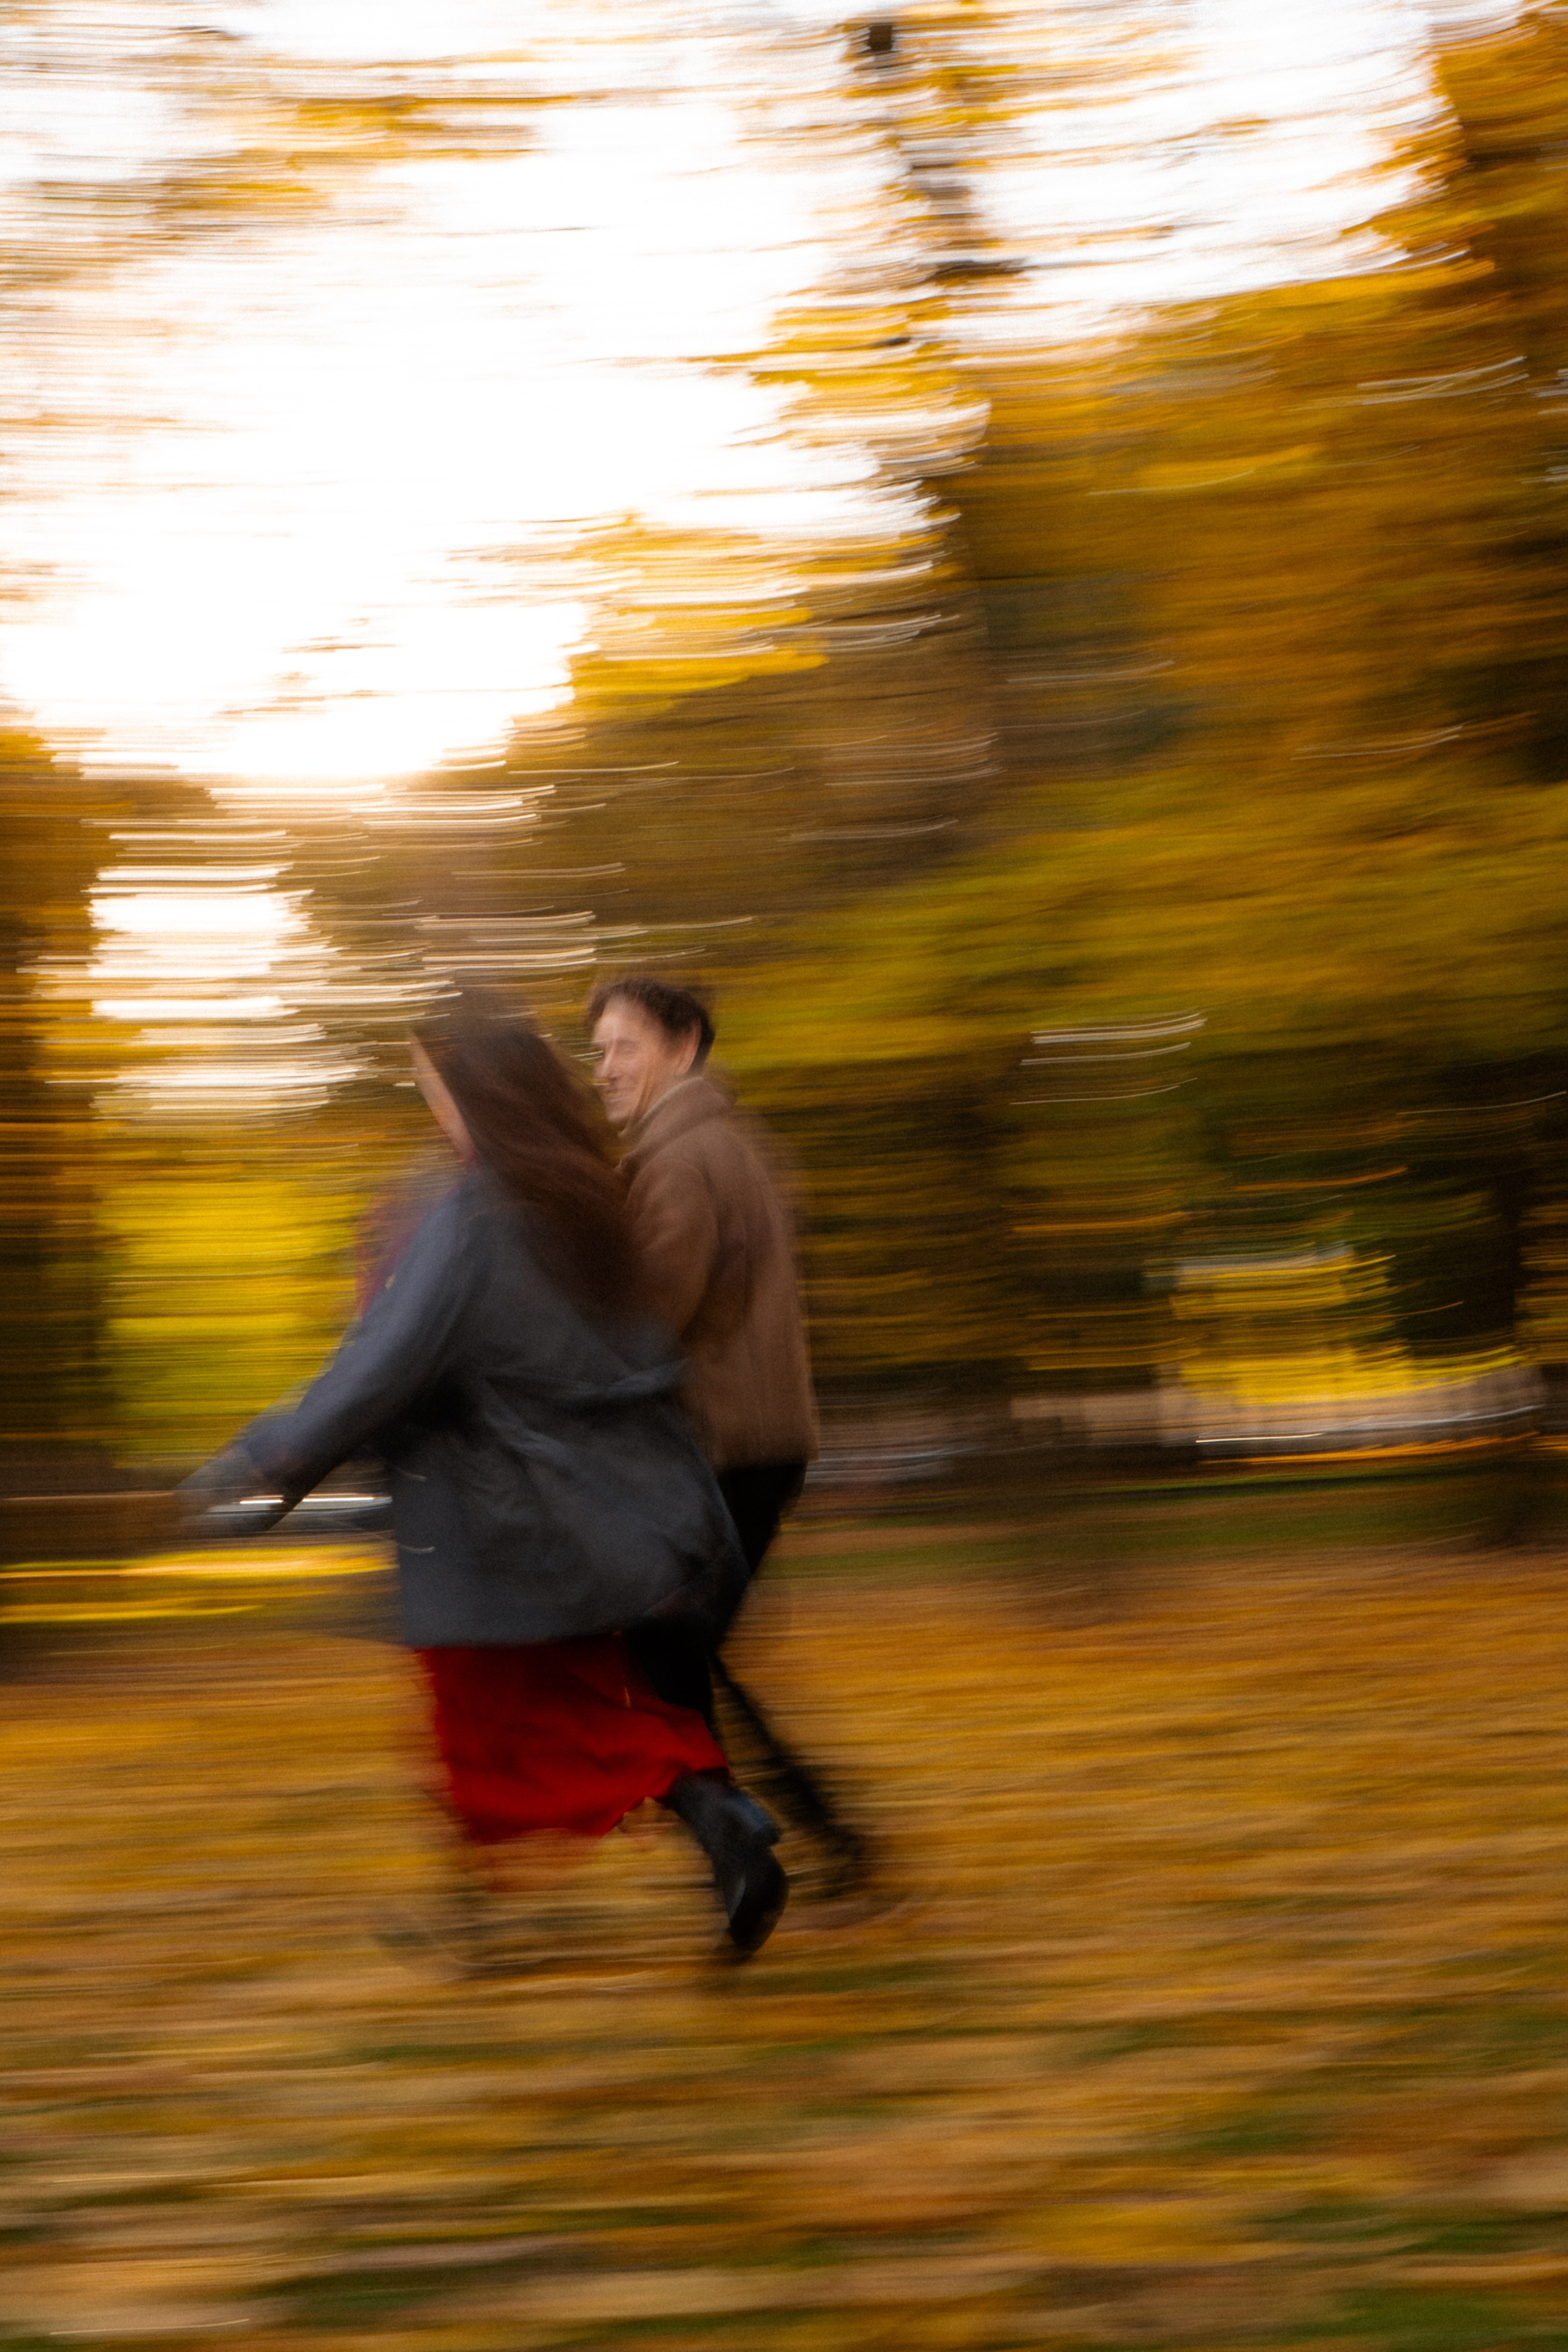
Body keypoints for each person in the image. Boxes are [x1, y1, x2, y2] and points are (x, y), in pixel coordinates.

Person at [183, 997, 788, 1964]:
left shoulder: (474, 1216)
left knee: (509, 1732)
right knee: (559, 1718)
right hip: (598, 1523)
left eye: (436, 1090)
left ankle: (700, 1829)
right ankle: (670, 1842)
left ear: (478, 1096)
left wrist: (265, 1459)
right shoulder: (585, 1201)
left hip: (494, 1531)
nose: (434, 1110)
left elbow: (383, 1366)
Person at [587, 975, 870, 1893]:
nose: (605, 1068)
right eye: (598, 1051)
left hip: (717, 1449)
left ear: (684, 1046)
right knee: (679, 1653)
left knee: (663, 1654)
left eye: (625, 1047)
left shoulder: (678, 1160)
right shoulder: (735, 1144)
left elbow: (650, 1320)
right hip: (757, 1443)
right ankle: (801, 1847)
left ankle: (758, 1855)